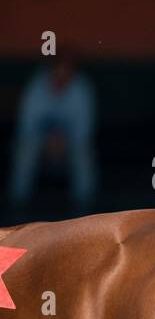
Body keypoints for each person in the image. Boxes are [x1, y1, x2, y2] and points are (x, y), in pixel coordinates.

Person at [7, 54, 97, 214]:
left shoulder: (82, 89)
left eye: (66, 73)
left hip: (69, 141)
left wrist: (63, 140)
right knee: (25, 149)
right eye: (57, 72)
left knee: (82, 152)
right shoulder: (36, 86)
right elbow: (26, 125)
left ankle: (84, 208)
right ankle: (17, 206)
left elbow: (84, 130)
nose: (61, 78)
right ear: (50, 72)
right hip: (41, 139)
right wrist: (48, 138)